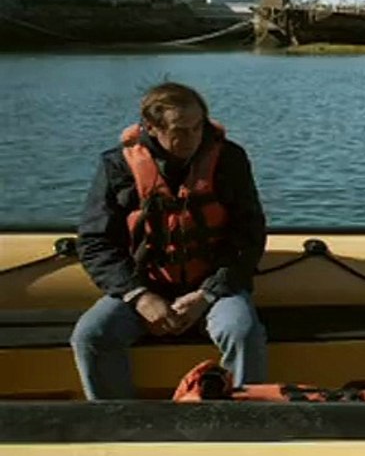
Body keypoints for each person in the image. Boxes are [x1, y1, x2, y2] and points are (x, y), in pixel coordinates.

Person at [71, 82, 269, 400]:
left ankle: (244, 425)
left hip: (214, 287)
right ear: (152, 127)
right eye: (180, 130)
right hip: (144, 287)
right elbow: (95, 242)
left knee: (242, 331)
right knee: (91, 334)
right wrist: (139, 296)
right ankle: (120, 424)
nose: (192, 139)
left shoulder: (229, 159)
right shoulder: (117, 166)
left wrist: (207, 293)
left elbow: (249, 237)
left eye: (197, 127)